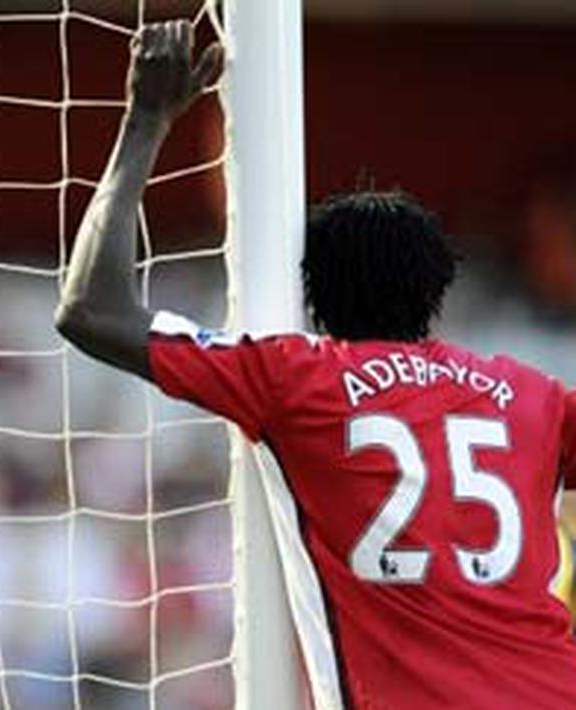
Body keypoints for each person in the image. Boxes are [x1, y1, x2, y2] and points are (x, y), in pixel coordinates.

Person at [55, 19, 576, 709]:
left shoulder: (296, 381)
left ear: (315, 297)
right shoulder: (530, 394)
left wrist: (146, 119)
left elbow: (91, 311)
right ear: (436, 290)